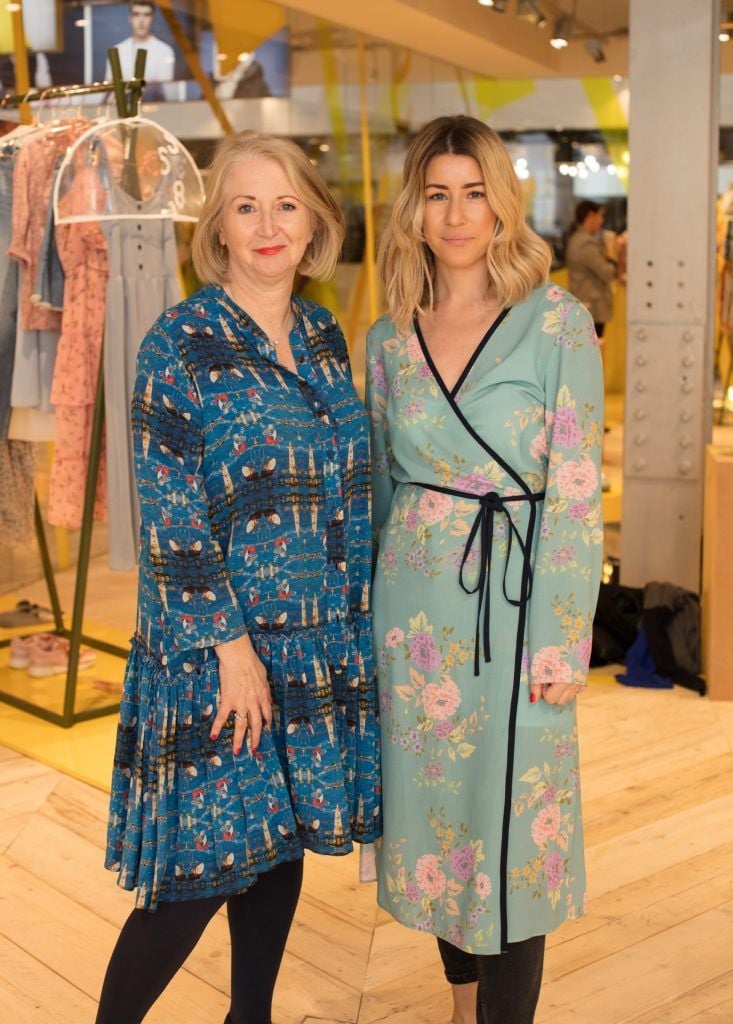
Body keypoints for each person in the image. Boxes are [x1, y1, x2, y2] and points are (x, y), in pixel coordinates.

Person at [95, 130, 381, 1024]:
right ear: (217, 227)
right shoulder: (178, 344)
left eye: (286, 205)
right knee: (199, 868)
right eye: (246, 206)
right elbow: (168, 514)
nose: (267, 225)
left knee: (278, 844)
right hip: (218, 653)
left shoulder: (327, 337)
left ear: (314, 224)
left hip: (313, 641)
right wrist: (230, 649)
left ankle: (248, 1017)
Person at [366, 115, 603, 1024]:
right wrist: (367, 625)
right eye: (437, 194)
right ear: (415, 211)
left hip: (517, 612)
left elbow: (577, 490)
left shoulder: (555, 323)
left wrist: (561, 639)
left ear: (500, 203)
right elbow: (384, 491)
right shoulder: (390, 338)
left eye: (473, 192)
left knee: (515, 840)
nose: (456, 214)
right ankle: (460, 1005)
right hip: (413, 622)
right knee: (436, 828)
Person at [565, 199, 617, 340]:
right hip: (592, 308)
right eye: (599, 216)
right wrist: (612, 251)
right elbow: (607, 272)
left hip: (586, 306)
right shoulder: (585, 243)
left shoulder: (579, 239)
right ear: (589, 216)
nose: (601, 221)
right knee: (593, 353)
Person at [104, 2, 175, 101]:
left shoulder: (165, 51)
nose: (141, 21)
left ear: (152, 18)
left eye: (146, 15)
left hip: (155, 108)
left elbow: (165, 91)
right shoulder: (117, 50)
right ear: (130, 18)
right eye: (136, 14)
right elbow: (110, 89)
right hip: (122, 110)